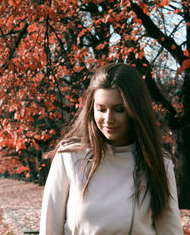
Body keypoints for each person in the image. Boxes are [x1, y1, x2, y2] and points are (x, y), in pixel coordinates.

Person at [40, 63, 183, 235]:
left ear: (136, 110)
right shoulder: (69, 156)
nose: (108, 119)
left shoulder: (157, 163)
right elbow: (49, 229)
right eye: (101, 109)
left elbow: (170, 231)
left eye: (119, 109)